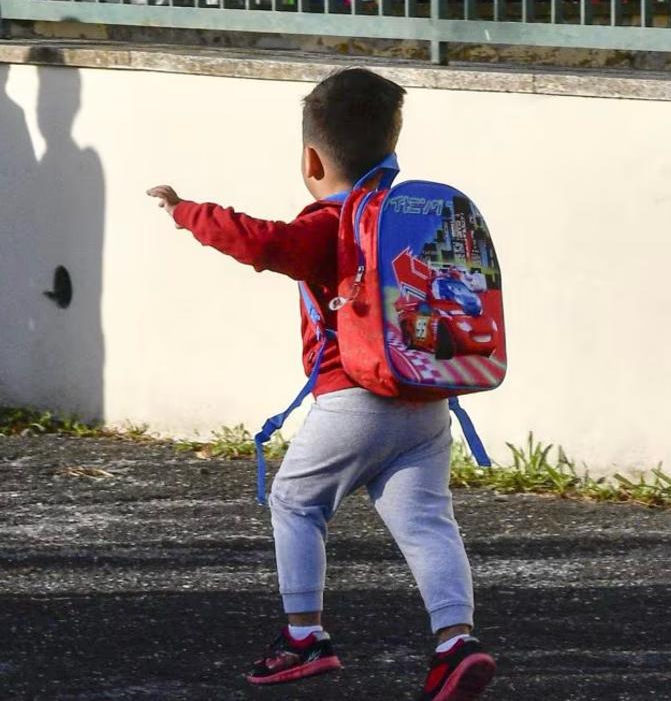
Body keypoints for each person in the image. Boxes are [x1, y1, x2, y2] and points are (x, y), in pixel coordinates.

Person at [146, 68, 496, 700]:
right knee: (426, 520)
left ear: (311, 158)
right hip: (428, 399)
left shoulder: (332, 223)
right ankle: (455, 643)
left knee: (295, 501)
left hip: (355, 399)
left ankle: (304, 636)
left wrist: (186, 212)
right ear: (393, 150)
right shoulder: (412, 216)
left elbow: (262, 243)